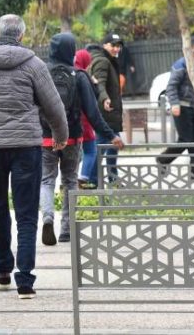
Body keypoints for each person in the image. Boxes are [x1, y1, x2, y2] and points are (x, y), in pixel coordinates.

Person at [0, 14, 68, 300]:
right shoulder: (34, 65)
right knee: (26, 212)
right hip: (25, 145)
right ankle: (25, 279)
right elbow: (53, 105)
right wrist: (60, 135)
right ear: (21, 36)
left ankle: (2, 270)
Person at [39, 34, 124, 246]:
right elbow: (93, 114)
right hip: (73, 137)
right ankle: (67, 229)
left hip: (46, 138)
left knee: (47, 180)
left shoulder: (41, 73)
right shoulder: (79, 75)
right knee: (69, 180)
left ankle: (48, 217)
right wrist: (111, 135)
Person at [157, 38, 194, 177]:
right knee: (186, 140)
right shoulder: (181, 64)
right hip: (182, 107)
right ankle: (163, 160)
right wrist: (174, 103)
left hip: (193, 107)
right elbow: (171, 86)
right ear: (190, 49)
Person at [87, 33, 124, 185]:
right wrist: (104, 98)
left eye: (118, 46)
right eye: (113, 45)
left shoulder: (108, 60)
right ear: (104, 46)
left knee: (112, 146)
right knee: (102, 146)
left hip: (110, 112)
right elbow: (99, 83)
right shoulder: (103, 61)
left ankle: (111, 178)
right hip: (106, 112)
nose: (116, 49)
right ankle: (90, 180)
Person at [74, 49, 99, 188]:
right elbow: (93, 98)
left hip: (71, 121)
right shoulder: (84, 76)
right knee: (91, 150)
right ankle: (83, 177)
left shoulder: (68, 73)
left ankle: (71, 177)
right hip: (84, 119)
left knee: (74, 152)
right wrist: (95, 83)